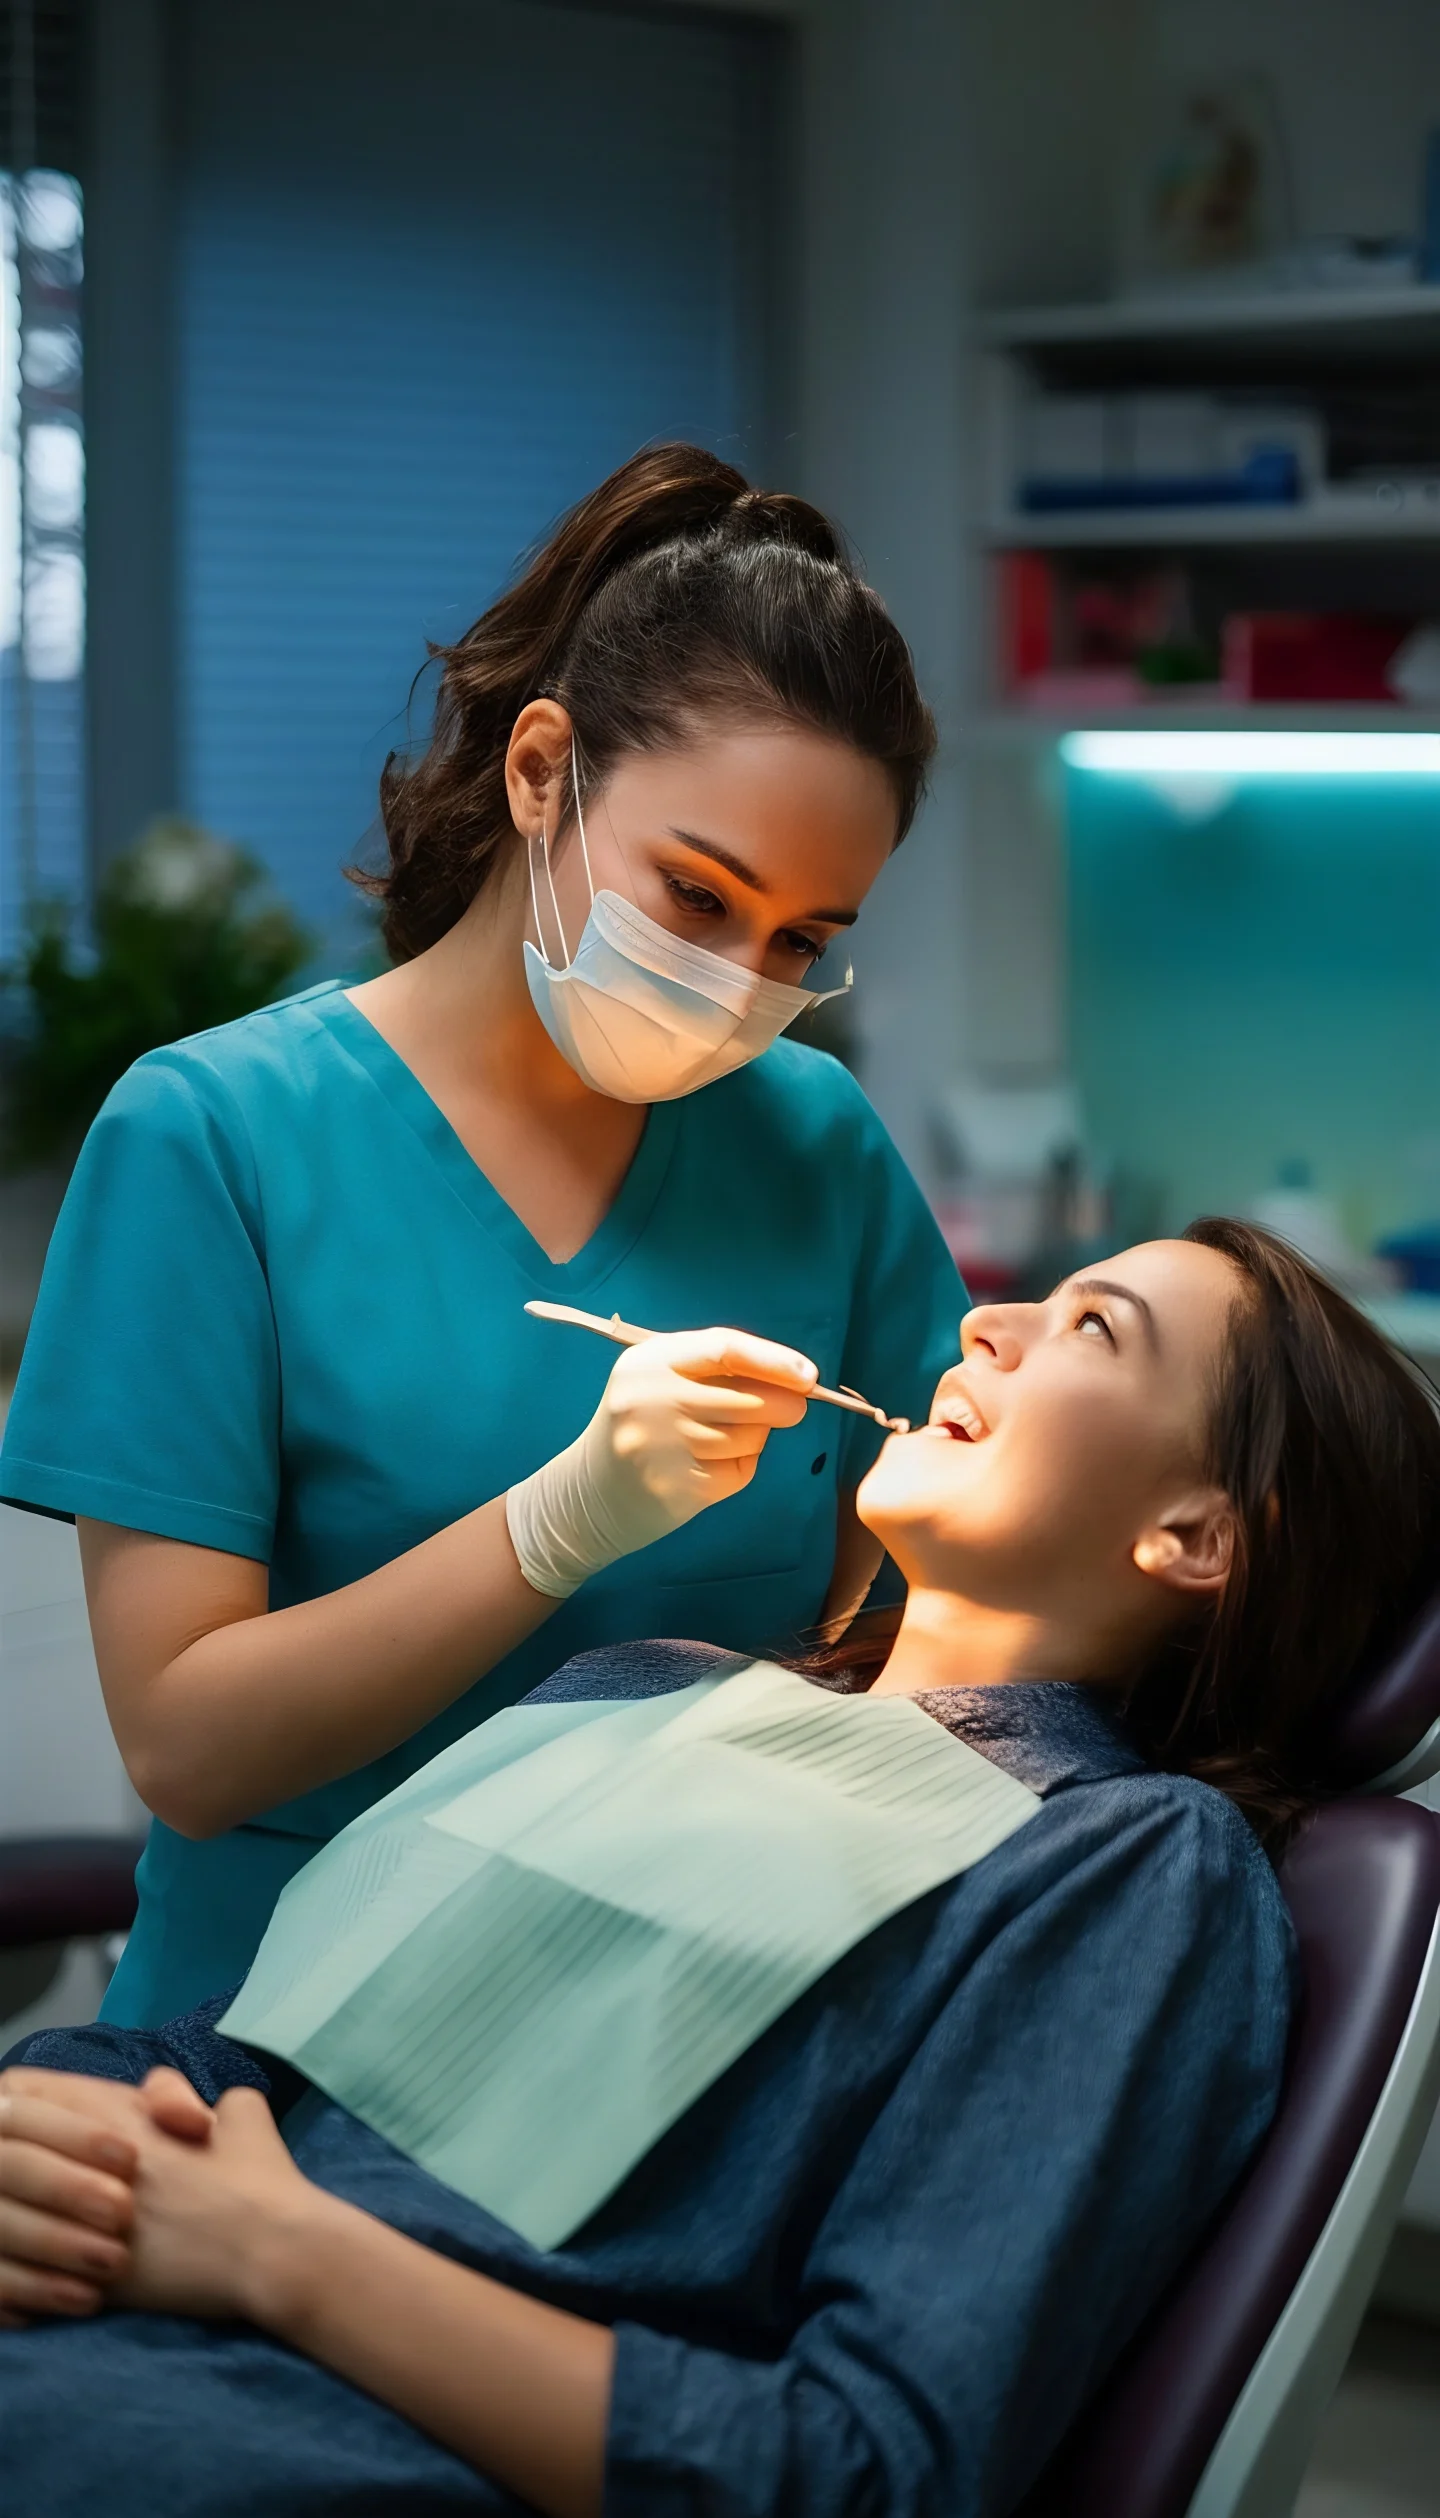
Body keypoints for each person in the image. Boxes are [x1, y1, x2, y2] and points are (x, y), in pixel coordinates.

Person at [3, 1221, 1438, 2518]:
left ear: (1199, 1534)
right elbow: (230, 2050)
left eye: (1094, 1330)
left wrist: (285, 2255)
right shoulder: (635, 1688)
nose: (986, 1322)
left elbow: (862, 2483)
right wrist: (47, 2118)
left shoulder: (1125, 1858)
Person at [0, 443, 966, 2028]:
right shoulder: (213, 1138)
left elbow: (933, 1581)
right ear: (540, 771)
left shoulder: (817, 1145)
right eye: (698, 897)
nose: (740, 979)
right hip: (280, 2052)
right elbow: (187, 1745)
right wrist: (558, 1524)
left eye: (804, 939)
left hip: (682, 2035)